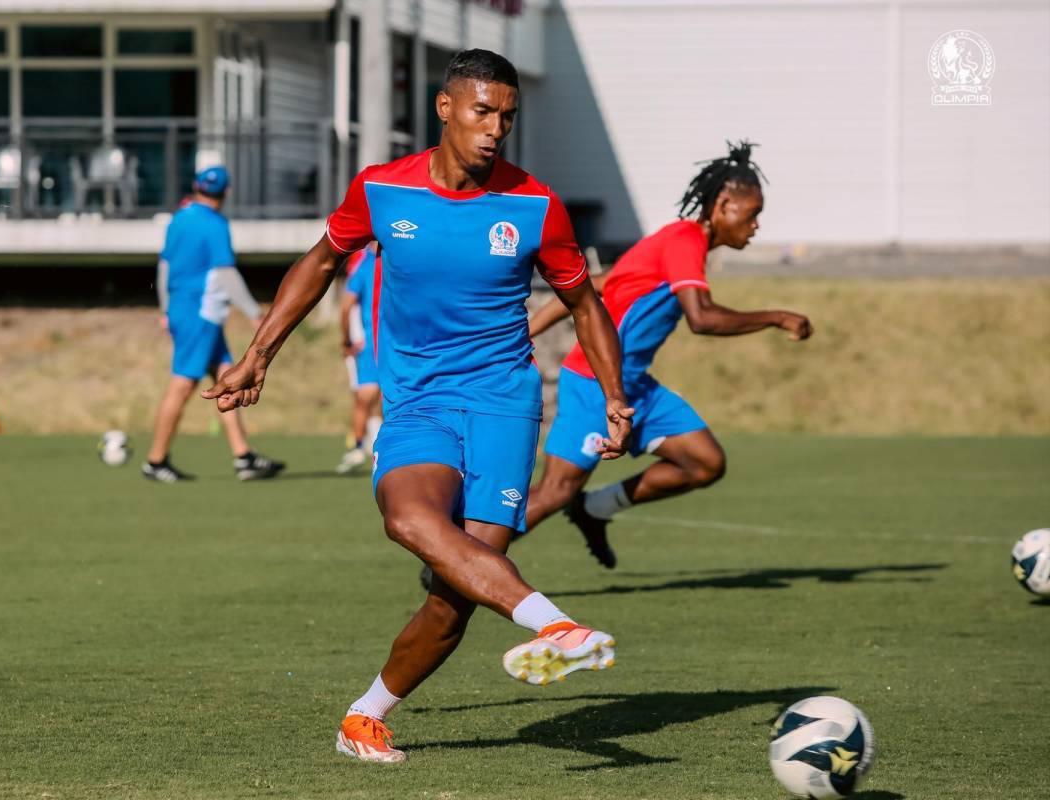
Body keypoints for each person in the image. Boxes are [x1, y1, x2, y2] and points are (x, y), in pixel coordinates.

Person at [203, 49, 634, 764]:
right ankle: (557, 627)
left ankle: (364, 718)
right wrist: (258, 354)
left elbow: (583, 302)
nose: (496, 128)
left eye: (507, 115)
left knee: (455, 591)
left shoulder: (536, 205)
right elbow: (318, 262)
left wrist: (615, 397)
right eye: (482, 111)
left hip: (504, 404)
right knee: (408, 516)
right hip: (421, 402)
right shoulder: (382, 190)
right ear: (445, 108)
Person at [522, 140, 812, 567]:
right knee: (554, 492)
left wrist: (529, 330)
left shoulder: (676, 245)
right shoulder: (683, 240)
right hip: (595, 384)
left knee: (704, 462)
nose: (755, 226)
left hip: (634, 385)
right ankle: (461, 559)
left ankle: (594, 508)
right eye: (752, 214)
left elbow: (598, 284)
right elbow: (702, 317)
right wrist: (776, 317)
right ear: (724, 204)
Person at [143, 165, 286, 483]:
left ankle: (243, 457)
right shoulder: (215, 224)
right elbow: (225, 273)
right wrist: (253, 312)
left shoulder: (179, 218)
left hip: (183, 309)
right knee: (182, 385)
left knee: (227, 377)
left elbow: (164, 265)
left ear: (196, 187)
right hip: (201, 313)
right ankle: (155, 461)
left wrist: (166, 309)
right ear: (227, 192)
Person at [335, 243, 383, 474]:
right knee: (380, 398)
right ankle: (367, 447)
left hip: (374, 343)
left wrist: (346, 340)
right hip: (394, 342)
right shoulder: (399, 260)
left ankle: (360, 447)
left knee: (365, 396)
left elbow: (345, 307)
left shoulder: (364, 265)